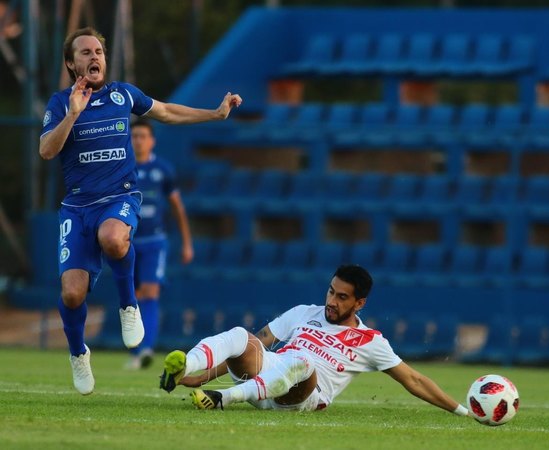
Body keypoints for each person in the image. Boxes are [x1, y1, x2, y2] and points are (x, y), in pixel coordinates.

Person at [39, 26, 242, 395]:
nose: (94, 56)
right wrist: (72, 114)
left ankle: (128, 306)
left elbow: (166, 111)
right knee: (72, 294)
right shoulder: (59, 104)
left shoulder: (123, 95)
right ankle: (77, 353)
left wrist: (214, 114)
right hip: (77, 207)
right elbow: (47, 151)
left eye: (98, 50)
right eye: (85, 52)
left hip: (120, 197)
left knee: (114, 238)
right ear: (71, 63)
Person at [159, 265, 469, 417]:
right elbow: (257, 345)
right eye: (331, 291)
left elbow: (414, 380)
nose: (332, 301)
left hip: (301, 394)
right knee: (242, 336)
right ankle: (189, 363)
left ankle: (223, 398)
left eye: (342, 297)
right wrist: (197, 377)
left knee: (303, 361)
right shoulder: (303, 313)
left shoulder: (370, 341)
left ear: (359, 303)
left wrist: (463, 411)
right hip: (267, 378)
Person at [125, 119, 194, 370]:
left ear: (152, 141)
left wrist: (187, 243)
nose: (139, 140)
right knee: (130, 297)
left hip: (154, 241)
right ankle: (135, 349)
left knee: (151, 292)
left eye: (143, 136)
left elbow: (177, 207)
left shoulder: (162, 169)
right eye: (134, 136)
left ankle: (146, 349)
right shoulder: (121, 168)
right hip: (126, 244)